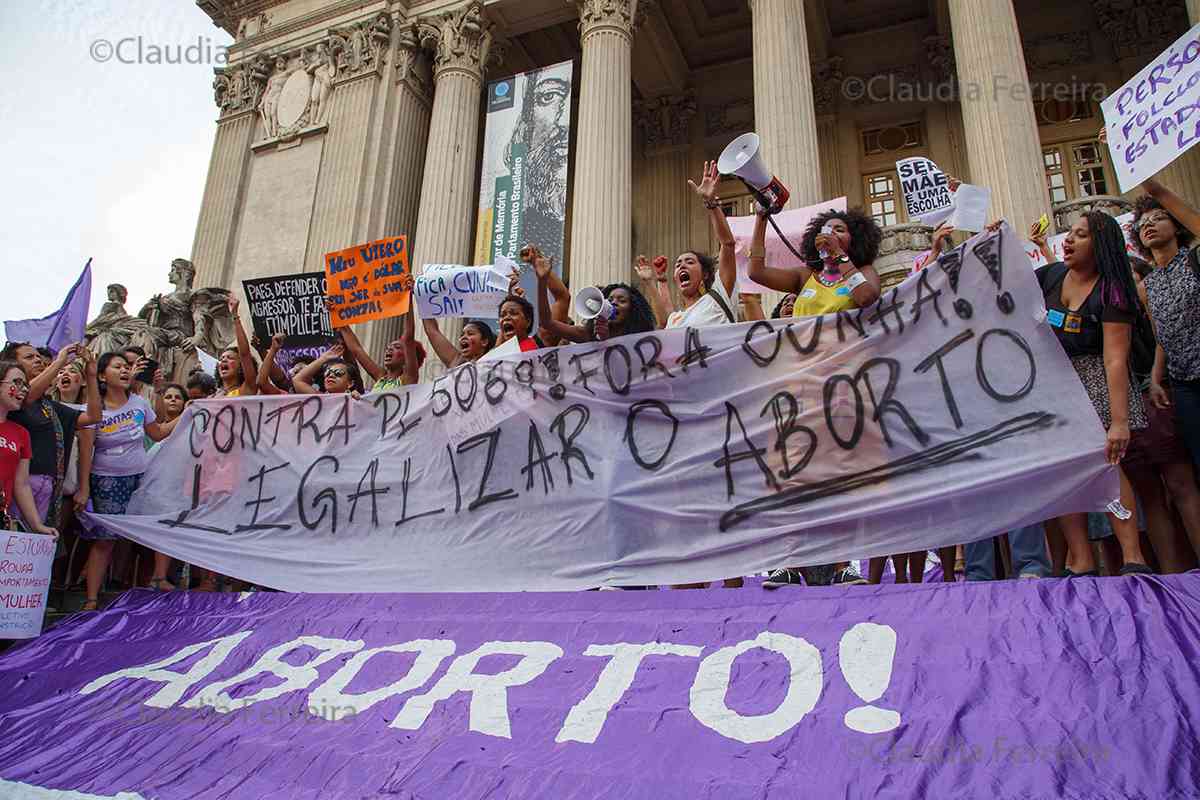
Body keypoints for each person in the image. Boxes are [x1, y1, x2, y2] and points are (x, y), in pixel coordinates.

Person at [745, 203, 884, 588]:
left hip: (841, 387)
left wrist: (843, 262)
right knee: (793, 474)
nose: (830, 233)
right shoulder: (805, 275)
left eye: (839, 229)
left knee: (835, 475)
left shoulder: (862, 272)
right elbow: (755, 272)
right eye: (824, 229)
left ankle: (840, 564)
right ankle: (791, 560)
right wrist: (760, 220)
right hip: (797, 385)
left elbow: (868, 298)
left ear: (853, 239)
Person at [1035, 211, 1152, 577]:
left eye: (1080, 235)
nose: (1068, 240)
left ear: (1099, 245)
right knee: (1064, 473)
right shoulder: (1052, 276)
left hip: (1099, 383)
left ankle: (1133, 557)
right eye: (1069, 233)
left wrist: (1119, 423)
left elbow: (1115, 358)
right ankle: (1081, 559)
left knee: (1107, 467)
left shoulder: (1112, 290)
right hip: (1059, 386)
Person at [78, 353, 182, 609]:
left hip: (141, 478)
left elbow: (157, 433)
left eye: (127, 367)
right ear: (102, 376)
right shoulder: (92, 410)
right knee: (105, 540)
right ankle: (91, 599)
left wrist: (189, 413)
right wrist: (84, 488)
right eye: (118, 367)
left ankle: (158, 578)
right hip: (106, 482)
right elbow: (85, 452)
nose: (125, 371)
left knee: (159, 525)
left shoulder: (139, 403)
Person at [1128, 180, 1200, 479]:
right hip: (1183, 385)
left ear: (1177, 225)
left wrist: (1153, 188)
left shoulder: (1195, 259)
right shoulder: (1147, 287)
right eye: (1143, 223)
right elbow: (1161, 337)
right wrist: (1156, 378)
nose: (1150, 225)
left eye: (1158, 218)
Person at [2, 342, 102, 532]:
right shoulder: (12, 401)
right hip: (17, 486)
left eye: (38, 357)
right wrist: (61, 360)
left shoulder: (49, 406)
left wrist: (90, 375)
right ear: (10, 366)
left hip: (47, 488)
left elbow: (94, 417)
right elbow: (26, 396)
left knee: (33, 549)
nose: (38, 359)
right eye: (29, 357)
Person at [637, 161, 739, 330]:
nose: (682, 265)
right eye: (678, 264)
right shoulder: (676, 318)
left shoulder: (719, 297)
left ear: (706, 274)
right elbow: (664, 320)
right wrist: (652, 281)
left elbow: (727, 244)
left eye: (690, 262)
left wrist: (711, 203)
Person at [528, 244, 656, 343]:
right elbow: (547, 323)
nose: (614, 303)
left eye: (622, 301)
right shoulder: (587, 335)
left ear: (632, 310)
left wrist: (650, 282)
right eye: (610, 299)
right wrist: (542, 281)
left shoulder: (639, 339)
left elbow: (663, 324)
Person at [0, 360, 59, 537]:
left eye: (25, 384)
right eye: (17, 382)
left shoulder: (21, 434)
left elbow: (22, 484)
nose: (24, 389)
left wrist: (36, 524)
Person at [341, 310, 422, 392]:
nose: (389, 349)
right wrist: (338, 316)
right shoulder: (381, 376)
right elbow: (357, 350)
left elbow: (408, 337)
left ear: (408, 358)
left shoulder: (408, 379)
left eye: (397, 347)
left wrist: (408, 301)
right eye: (388, 347)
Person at [212, 297, 258, 398]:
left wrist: (235, 315)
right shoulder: (210, 398)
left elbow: (245, 354)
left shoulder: (247, 390)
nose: (224, 360)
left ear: (241, 367)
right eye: (221, 358)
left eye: (230, 358)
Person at [423, 316, 497, 369]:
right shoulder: (457, 362)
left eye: (470, 333)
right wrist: (422, 296)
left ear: (484, 342)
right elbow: (432, 331)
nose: (463, 337)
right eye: (462, 335)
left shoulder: (496, 365)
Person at [293, 343, 365, 395]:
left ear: (350, 383)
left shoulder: (355, 398)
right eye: (327, 373)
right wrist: (323, 358)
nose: (331, 376)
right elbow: (297, 380)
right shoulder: (320, 399)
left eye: (338, 373)